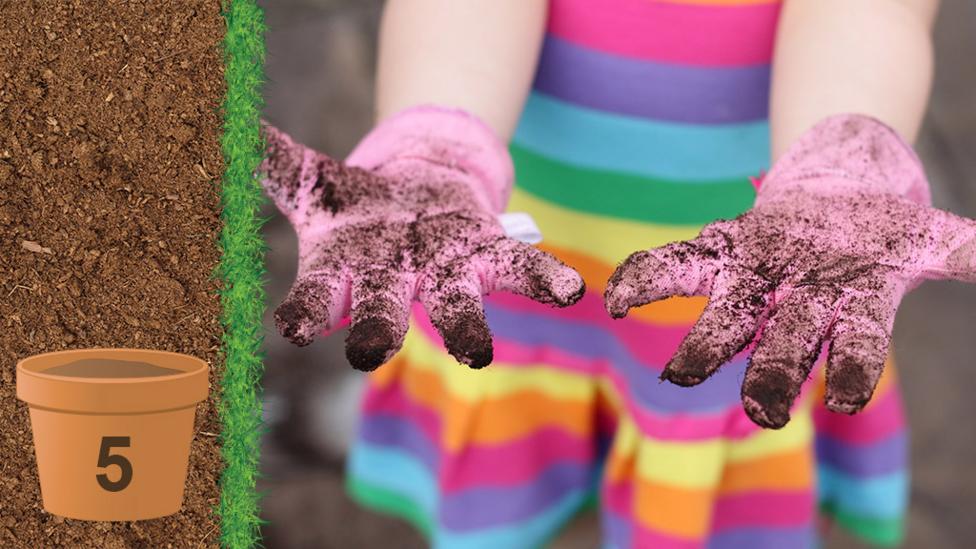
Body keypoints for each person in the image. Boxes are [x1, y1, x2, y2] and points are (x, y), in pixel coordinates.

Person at [260, 0, 974, 547]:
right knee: (499, 374)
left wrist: (835, 175)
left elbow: (869, 14)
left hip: (736, 271)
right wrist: (437, 156)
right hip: (517, 242)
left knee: (711, 391)